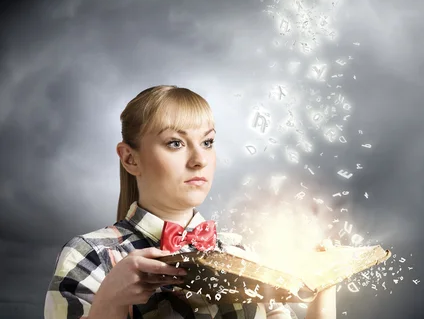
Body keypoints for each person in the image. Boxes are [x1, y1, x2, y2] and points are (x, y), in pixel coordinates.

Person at [44, 85, 336, 319]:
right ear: (130, 158)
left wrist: (323, 289)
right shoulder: (90, 255)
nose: (199, 160)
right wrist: (110, 301)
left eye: (207, 142)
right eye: (176, 143)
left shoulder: (242, 255)